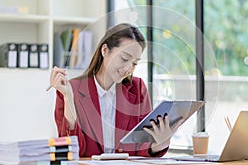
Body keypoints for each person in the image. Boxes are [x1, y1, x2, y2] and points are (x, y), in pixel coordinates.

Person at [49, 23, 183, 157]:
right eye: (124, 58)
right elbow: (72, 149)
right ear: (105, 50)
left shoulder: (137, 88)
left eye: (134, 63)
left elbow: (142, 146)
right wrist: (68, 98)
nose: (128, 69)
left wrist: (161, 143)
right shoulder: (70, 90)